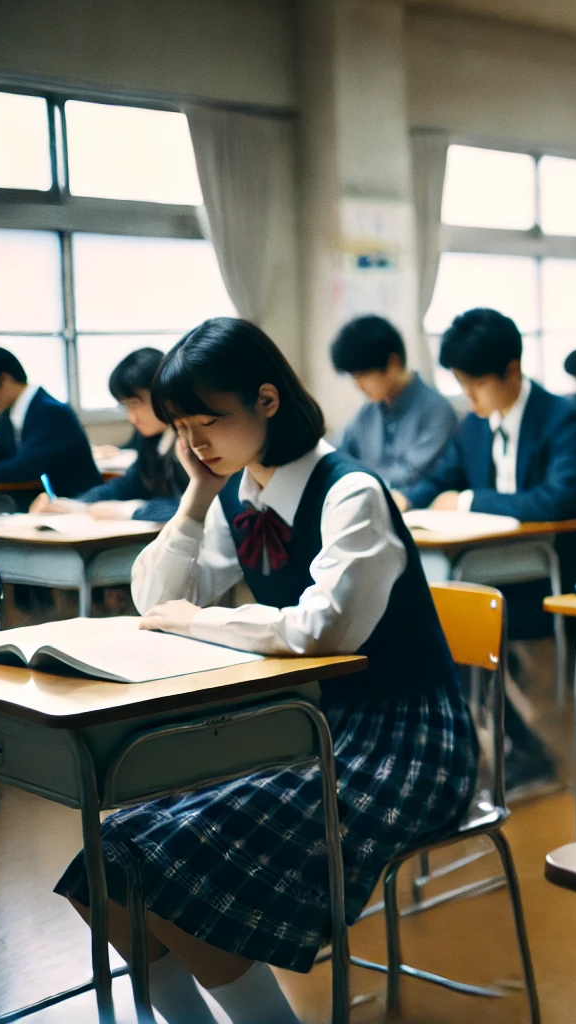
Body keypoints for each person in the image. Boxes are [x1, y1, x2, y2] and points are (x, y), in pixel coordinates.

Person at [51, 317, 475, 1024]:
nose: (193, 443)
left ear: (267, 402)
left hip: (407, 740)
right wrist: (195, 496)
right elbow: (155, 599)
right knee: (102, 869)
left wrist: (201, 621)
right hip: (308, 726)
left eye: (206, 422)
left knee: (172, 873)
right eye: (181, 427)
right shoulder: (241, 495)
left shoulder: (350, 492)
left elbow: (319, 630)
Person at [404, 309, 576, 791]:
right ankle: (500, 746)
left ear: (512, 370)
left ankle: (522, 750)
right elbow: (442, 477)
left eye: (474, 384)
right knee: (430, 618)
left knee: (447, 622)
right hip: (501, 571)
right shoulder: (475, 424)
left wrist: (466, 501)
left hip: (564, 574)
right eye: (460, 383)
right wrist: (405, 500)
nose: (467, 396)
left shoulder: (562, 417)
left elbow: (557, 499)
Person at [32, 347, 186, 521]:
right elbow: (130, 484)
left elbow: (197, 508)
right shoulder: (150, 438)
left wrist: (130, 510)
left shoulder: (192, 441)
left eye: (134, 404)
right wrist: (76, 504)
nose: (131, 418)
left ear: (163, 394)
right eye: (126, 407)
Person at [330, 314, 457, 492]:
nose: (357, 386)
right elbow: (339, 456)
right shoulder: (366, 413)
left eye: (361, 375)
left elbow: (415, 474)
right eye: (353, 377)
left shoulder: (436, 410)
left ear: (393, 362)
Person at [0, 345, 98, 494]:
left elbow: (23, 469)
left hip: (77, 502)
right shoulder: (10, 411)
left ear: (5, 380)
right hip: (42, 502)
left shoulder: (51, 412)